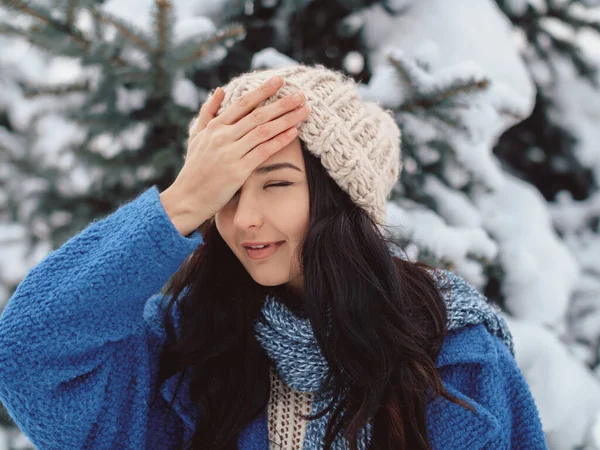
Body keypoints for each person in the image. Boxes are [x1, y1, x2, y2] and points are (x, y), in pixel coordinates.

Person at [0, 64, 548, 450]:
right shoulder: (186, 350)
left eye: (277, 183)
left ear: (340, 201)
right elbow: (26, 352)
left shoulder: (452, 359)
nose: (243, 219)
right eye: (227, 189)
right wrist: (182, 201)